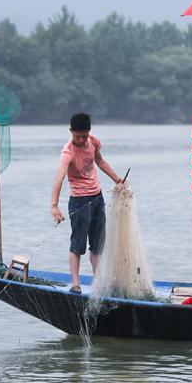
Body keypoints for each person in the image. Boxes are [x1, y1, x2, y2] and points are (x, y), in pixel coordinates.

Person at [51, 113, 123, 294]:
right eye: (78, 136)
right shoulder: (68, 152)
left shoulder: (93, 141)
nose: (82, 140)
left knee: (97, 245)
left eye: (85, 135)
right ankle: (76, 284)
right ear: (71, 132)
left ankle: (98, 284)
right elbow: (59, 179)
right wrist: (54, 206)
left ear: (89, 132)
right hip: (79, 201)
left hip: (97, 198)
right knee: (77, 245)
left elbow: (99, 160)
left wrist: (117, 179)